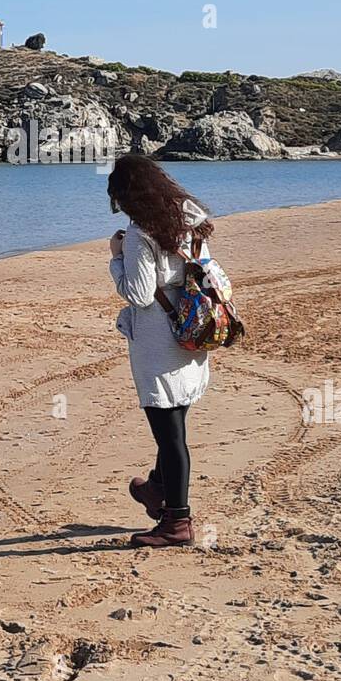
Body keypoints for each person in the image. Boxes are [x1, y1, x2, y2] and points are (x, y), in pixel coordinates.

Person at [108, 154, 214, 549]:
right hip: (192, 328)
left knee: (171, 436)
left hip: (159, 340)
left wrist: (117, 258)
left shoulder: (140, 235)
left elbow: (136, 294)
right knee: (175, 424)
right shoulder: (190, 217)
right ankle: (156, 488)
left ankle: (177, 522)